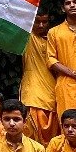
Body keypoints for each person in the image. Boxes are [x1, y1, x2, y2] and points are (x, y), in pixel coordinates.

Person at [21, 12, 58, 143]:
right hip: (32, 92)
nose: (41, 25)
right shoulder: (27, 37)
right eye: (37, 21)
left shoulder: (55, 40)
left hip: (53, 93)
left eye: (44, 22)